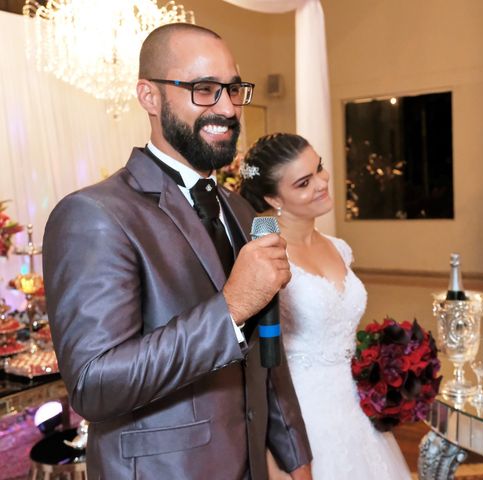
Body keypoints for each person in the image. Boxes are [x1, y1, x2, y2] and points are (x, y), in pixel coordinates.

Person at [42, 24, 312, 480]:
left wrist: (296, 458)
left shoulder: (242, 210)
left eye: (232, 89)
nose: (227, 107)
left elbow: (269, 357)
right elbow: (94, 385)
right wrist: (229, 308)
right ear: (149, 97)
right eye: (204, 90)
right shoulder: (93, 214)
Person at [239, 133, 412, 480]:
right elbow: (254, 360)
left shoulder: (340, 248)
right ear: (274, 197)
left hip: (357, 409)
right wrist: (272, 460)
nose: (321, 183)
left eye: (319, 169)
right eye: (304, 183)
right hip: (304, 412)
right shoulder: (266, 257)